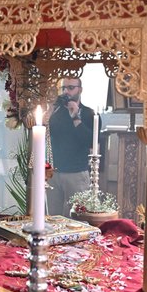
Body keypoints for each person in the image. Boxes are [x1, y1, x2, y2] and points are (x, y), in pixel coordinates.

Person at [46, 77, 97, 216]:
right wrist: (50, 110)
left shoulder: (89, 113)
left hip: (76, 173)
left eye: (70, 88)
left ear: (80, 90)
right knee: (52, 217)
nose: (66, 92)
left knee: (78, 218)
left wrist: (75, 117)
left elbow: (90, 142)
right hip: (53, 173)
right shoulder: (55, 113)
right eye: (63, 88)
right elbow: (43, 135)